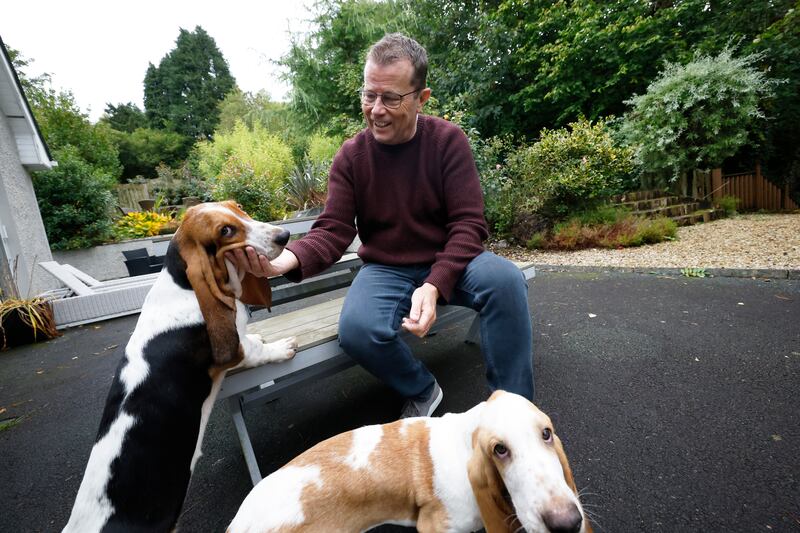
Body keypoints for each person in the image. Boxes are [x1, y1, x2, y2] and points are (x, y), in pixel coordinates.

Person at [227, 33, 533, 418]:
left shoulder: (447, 142)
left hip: (452, 258)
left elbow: (468, 224)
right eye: (369, 95)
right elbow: (333, 229)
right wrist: (284, 261)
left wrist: (435, 284)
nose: (376, 110)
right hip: (386, 268)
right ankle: (423, 389)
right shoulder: (352, 157)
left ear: (422, 98)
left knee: (505, 281)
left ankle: (514, 412)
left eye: (391, 98)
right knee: (358, 331)